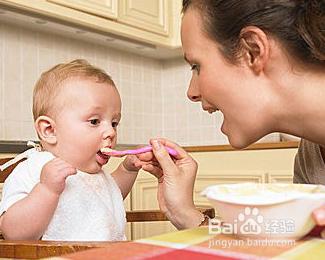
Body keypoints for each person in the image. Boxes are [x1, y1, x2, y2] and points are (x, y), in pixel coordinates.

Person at [144, 0, 325, 230]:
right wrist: (184, 213)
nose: (192, 93)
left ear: (253, 51)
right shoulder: (311, 154)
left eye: (196, 66)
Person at [0, 59, 156, 241]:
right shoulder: (33, 170)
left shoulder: (92, 172)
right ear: (49, 130)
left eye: (114, 123)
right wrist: (47, 189)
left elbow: (106, 198)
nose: (111, 132)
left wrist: (127, 170)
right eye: (95, 121)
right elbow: (13, 233)